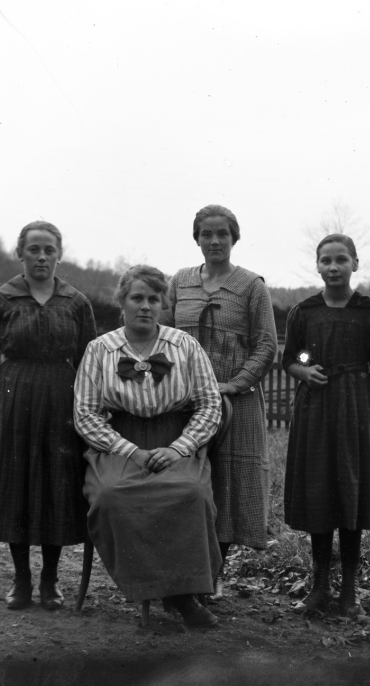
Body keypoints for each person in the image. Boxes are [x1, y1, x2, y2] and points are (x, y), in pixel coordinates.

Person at [73, 264, 222, 628]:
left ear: (163, 305)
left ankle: (182, 594)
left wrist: (179, 448)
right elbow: (86, 414)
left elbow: (210, 404)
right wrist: (128, 450)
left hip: (175, 441)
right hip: (118, 446)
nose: (145, 306)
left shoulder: (185, 346)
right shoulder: (100, 350)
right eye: (137, 298)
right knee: (111, 496)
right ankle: (166, 593)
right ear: (121, 302)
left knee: (190, 492)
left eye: (153, 299)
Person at [0, 220, 97, 612]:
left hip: (62, 405)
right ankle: (21, 580)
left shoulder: (76, 303)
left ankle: (50, 580)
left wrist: (90, 418)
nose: (41, 257)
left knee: (57, 488)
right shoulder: (0, 301)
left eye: (49, 250)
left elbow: (91, 364)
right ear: (20, 253)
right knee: (18, 490)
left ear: (59, 255)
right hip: (13, 403)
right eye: (33, 249)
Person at [281, 234, 370, 618]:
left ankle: (349, 592)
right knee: (319, 497)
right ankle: (319, 588)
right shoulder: (304, 312)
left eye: (341, 260)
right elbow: (292, 358)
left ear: (355, 264)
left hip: (353, 413)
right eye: (326, 261)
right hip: (315, 413)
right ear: (317, 265)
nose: (334, 267)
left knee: (350, 499)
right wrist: (304, 369)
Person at [161, 204, 277, 597]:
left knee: (226, 487)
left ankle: (211, 577)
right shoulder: (180, 282)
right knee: (187, 483)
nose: (214, 241)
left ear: (234, 238)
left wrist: (235, 384)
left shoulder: (251, 286)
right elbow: (163, 337)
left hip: (236, 403)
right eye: (206, 234)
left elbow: (266, 345)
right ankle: (183, 574)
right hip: (186, 403)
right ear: (196, 238)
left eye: (222, 234)